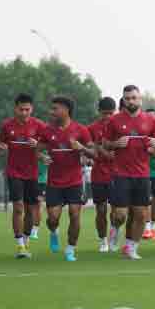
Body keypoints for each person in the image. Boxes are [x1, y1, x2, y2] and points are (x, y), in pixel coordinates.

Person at [105, 85, 155, 260]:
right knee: (120, 214)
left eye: (134, 98)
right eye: (127, 98)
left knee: (141, 214)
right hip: (121, 173)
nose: (131, 101)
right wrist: (116, 144)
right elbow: (105, 144)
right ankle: (115, 228)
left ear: (140, 99)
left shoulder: (150, 120)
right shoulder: (114, 120)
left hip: (142, 174)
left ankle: (131, 248)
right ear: (123, 100)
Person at [37, 96, 92, 261]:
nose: (51, 112)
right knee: (53, 219)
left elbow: (94, 153)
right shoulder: (47, 131)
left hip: (74, 181)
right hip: (54, 182)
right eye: (52, 108)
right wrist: (42, 157)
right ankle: (54, 232)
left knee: (75, 214)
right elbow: (37, 150)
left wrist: (81, 148)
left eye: (55, 109)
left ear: (66, 110)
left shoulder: (81, 130)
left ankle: (70, 249)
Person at [0, 93, 46, 259]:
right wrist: (2, 148)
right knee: (18, 207)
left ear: (32, 109)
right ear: (15, 108)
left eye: (27, 109)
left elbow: (46, 146)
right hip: (14, 172)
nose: (24, 113)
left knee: (31, 209)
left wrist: (38, 145)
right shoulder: (6, 125)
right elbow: (1, 144)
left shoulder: (39, 125)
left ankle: (26, 241)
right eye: (21, 109)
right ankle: (20, 245)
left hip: (32, 173)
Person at [87, 97, 118, 252]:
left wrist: (100, 148)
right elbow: (88, 150)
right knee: (101, 210)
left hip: (117, 174)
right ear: (99, 111)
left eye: (111, 113)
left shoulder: (119, 127)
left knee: (116, 211)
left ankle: (113, 236)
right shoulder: (91, 129)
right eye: (105, 113)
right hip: (98, 174)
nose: (108, 117)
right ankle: (103, 240)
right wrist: (88, 157)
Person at [143, 108, 155, 240]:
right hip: (143, 172)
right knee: (146, 200)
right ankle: (147, 228)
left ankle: (153, 226)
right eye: (148, 117)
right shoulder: (141, 133)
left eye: (153, 117)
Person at [32, 154, 48, 240]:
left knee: (38, 205)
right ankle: (29, 227)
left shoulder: (46, 150)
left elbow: (46, 161)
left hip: (41, 182)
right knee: (30, 206)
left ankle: (35, 230)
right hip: (30, 180)